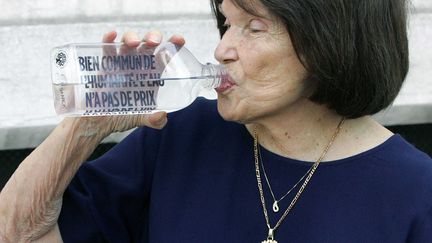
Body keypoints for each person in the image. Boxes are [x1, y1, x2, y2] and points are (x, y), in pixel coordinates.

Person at [1, 0, 431, 242]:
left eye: (254, 27)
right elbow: (17, 233)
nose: (222, 48)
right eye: (227, 23)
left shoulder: (417, 194)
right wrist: (86, 124)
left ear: (329, 43)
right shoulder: (180, 134)